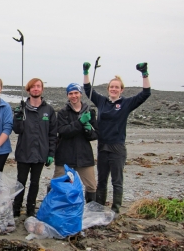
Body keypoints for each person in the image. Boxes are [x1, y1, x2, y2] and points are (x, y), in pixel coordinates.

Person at [83, 62, 151, 213]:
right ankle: (99, 208)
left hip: (117, 147)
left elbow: (146, 93)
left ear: (121, 90)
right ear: (108, 89)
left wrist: (144, 73)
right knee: (101, 181)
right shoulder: (101, 101)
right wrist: (86, 71)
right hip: (102, 146)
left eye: (117, 87)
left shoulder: (126, 103)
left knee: (117, 181)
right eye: (112, 87)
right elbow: (88, 90)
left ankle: (115, 209)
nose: (114, 89)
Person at [12, 78, 57, 217]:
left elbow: (52, 134)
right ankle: (16, 209)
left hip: (40, 153)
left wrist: (51, 153)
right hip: (23, 151)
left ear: (42, 89)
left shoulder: (48, 110)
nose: (36, 89)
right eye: (33, 87)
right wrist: (18, 117)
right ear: (29, 90)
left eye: (38, 86)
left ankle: (31, 209)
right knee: (21, 181)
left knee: (35, 182)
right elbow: (17, 130)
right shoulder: (23, 108)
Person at [54, 83, 99, 203]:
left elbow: (96, 134)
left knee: (91, 186)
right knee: (58, 184)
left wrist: (89, 130)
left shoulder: (90, 112)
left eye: (76, 93)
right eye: (71, 93)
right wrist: (80, 123)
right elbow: (63, 131)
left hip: (84, 155)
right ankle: (56, 208)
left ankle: (90, 210)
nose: (74, 96)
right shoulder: (63, 112)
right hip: (64, 155)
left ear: (81, 94)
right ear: (68, 95)